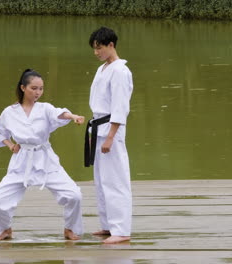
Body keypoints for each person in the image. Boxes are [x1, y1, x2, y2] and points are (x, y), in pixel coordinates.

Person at [0, 69, 85, 241]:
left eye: (41, 89)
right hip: (21, 161)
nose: (38, 93)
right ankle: (5, 229)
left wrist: (73, 116)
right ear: (23, 88)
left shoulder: (45, 108)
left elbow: (59, 113)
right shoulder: (9, 112)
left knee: (74, 195)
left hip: (44, 158)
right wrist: (11, 145)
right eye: (34, 88)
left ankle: (70, 228)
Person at [85, 27, 133, 244]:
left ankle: (121, 230)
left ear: (111, 45)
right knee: (102, 180)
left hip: (110, 129)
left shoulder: (121, 72)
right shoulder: (103, 69)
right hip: (98, 128)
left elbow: (120, 106)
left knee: (115, 180)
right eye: (94, 49)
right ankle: (107, 225)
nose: (96, 52)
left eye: (99, 48)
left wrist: (111, 136)